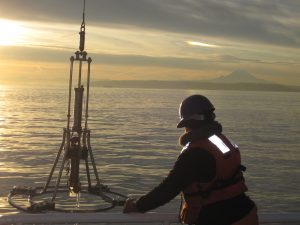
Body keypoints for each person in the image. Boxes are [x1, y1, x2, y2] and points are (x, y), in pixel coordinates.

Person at [123, 94, 258, 225]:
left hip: (221, 220)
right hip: (248, 215)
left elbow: (169, 188)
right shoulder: (221, 142)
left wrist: (137, 206)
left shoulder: (194, 154)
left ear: (189, 123)